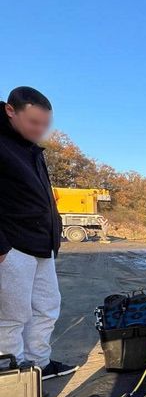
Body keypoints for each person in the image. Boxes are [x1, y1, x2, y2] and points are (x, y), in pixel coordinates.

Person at [0, 87, 78, 380]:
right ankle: (12, 375)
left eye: (45, 124)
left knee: (46, 308)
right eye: (34, 122)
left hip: (42, 245)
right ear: (10, 111)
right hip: (12, 246)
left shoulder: (31, 148)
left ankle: (39, 364)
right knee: (11, 316)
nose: (40, 130)